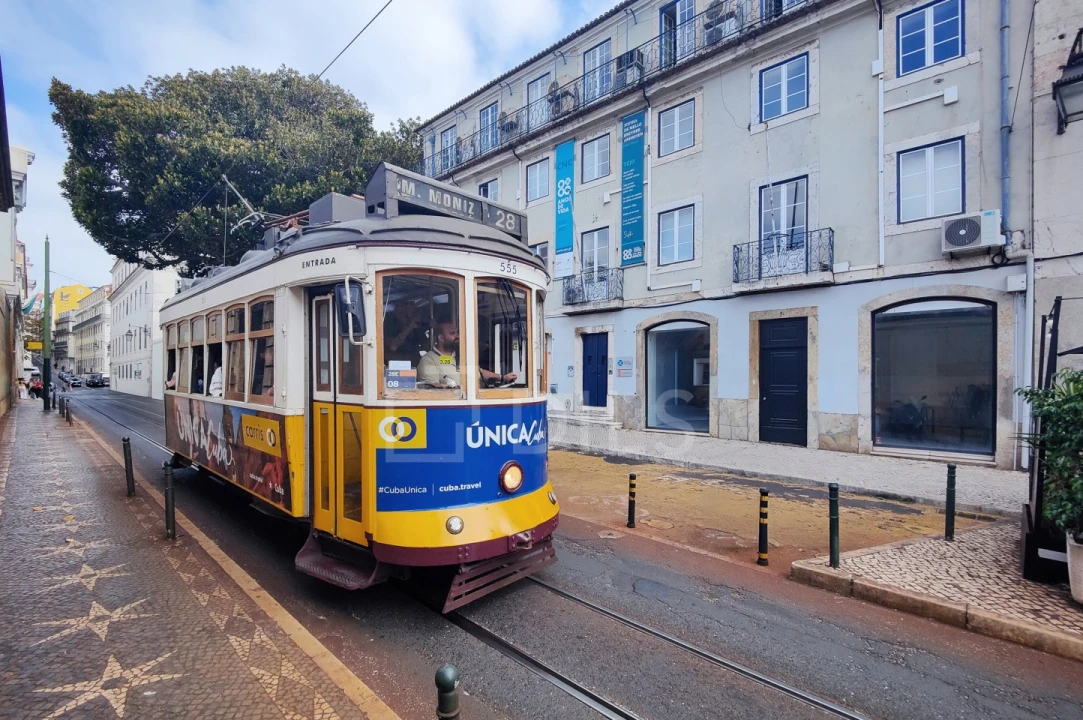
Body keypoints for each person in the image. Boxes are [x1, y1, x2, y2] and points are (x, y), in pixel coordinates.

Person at [417, 322, 516, 388]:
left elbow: (479, 372)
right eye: (453, 333)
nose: (458, 336)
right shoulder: (428, 361)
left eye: (457, 332)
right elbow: (431, 390)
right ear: (441, 338)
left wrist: (502, 377)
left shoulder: (461, 355)